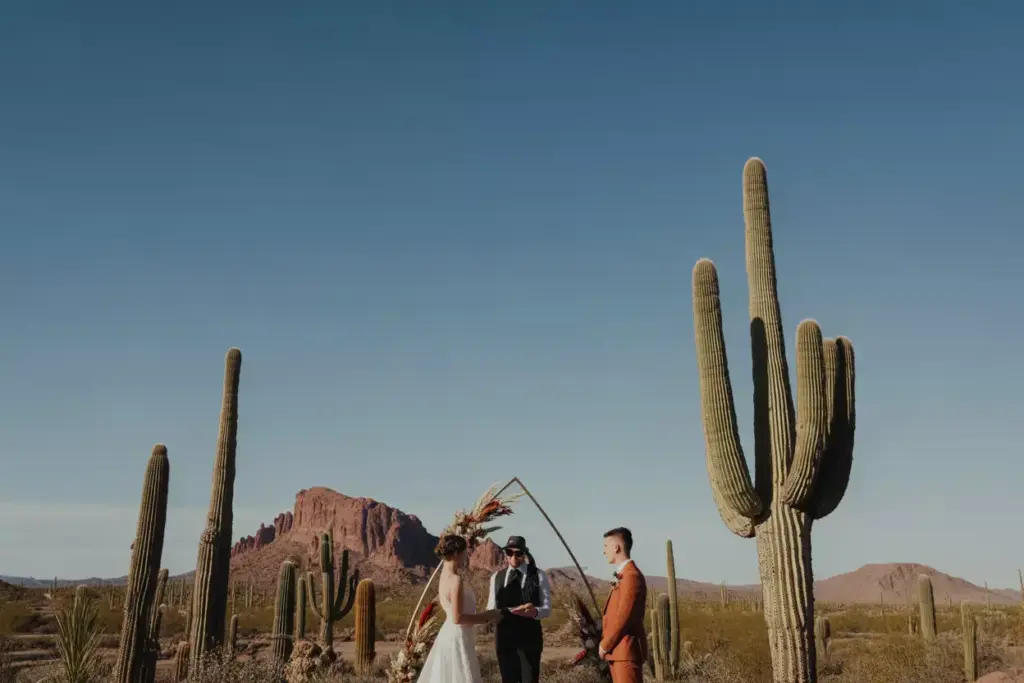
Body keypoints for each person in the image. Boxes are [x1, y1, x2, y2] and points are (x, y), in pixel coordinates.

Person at [416, 534, 528, 683]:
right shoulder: (456, 580)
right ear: (456, 553)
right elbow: (458, 618)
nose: (466, 556)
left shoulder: (444, 576)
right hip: (458, 636)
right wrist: (487, 616)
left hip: (450, 634)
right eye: (464, 552)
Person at [486, 536, 553, 683]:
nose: (514, 556)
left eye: (518, 553)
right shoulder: (496, 577)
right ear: (506, 554)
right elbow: (491, 606)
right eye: (510, 552)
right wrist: (490, 618)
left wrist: (534, 612)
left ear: (525, 554)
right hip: (504, 638)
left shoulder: (537, 575)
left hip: (530, 637)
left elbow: (547, 608)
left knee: (529, 678)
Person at [599, 527, 647, 683]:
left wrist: (605, 645)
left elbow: (624, 617)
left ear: (616, 547)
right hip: (619, 652)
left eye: (605, 546)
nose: (603, 551)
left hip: (626, 651)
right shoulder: (625, 575)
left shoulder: (631, 576)